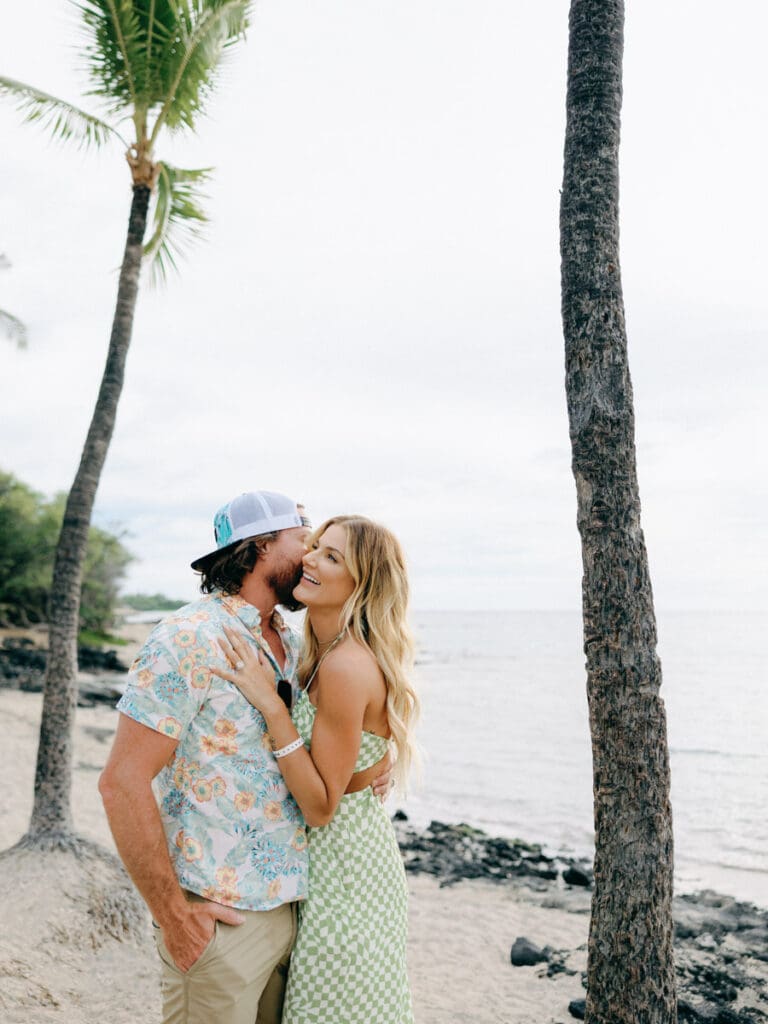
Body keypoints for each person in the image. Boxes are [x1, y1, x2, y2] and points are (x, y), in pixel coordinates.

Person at [99, 491, 391, 1024]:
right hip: (218, 915)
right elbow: (121, 782)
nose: (308, 557)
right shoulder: (188, 639)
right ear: (260, 547)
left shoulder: (294, 641)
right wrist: (173, 917)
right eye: (303, 541)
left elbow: (315, 754)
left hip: (294, 909)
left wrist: (370, 767)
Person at [213, 514, 419, 1024]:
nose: (309, 559)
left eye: (332, 556)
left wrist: (273, 708)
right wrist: (378, 759)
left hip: (346, 874)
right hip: (321, 867)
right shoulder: (317, 649)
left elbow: (322, 807)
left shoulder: (346, 665)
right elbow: (358, 745)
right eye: (313, 547)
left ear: (363, 582)